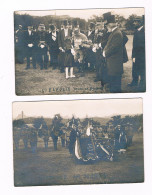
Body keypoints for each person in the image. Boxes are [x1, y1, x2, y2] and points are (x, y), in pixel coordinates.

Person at [103, 15, 123, 93]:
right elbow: (108, 45)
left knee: (116, 86)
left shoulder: (117, 33)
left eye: (107, 24)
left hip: (115, 64)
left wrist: (105, 53)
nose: (106, 26)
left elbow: (113, 48)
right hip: (112, 63)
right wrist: (104, 51)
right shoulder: (113, 32)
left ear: (111, 24)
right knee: (113, 84)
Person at [128, 16, 145, 91]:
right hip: (136, 54)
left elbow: (141, 45)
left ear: (140, 22)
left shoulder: (144, 31)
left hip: (141, 55)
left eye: (135, 22)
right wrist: (133, 55)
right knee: (134, 69)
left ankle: (142, 85)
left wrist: (136, 55)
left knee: (142, 70)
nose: (134, 23)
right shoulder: (137, 30)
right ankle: (134, 82)